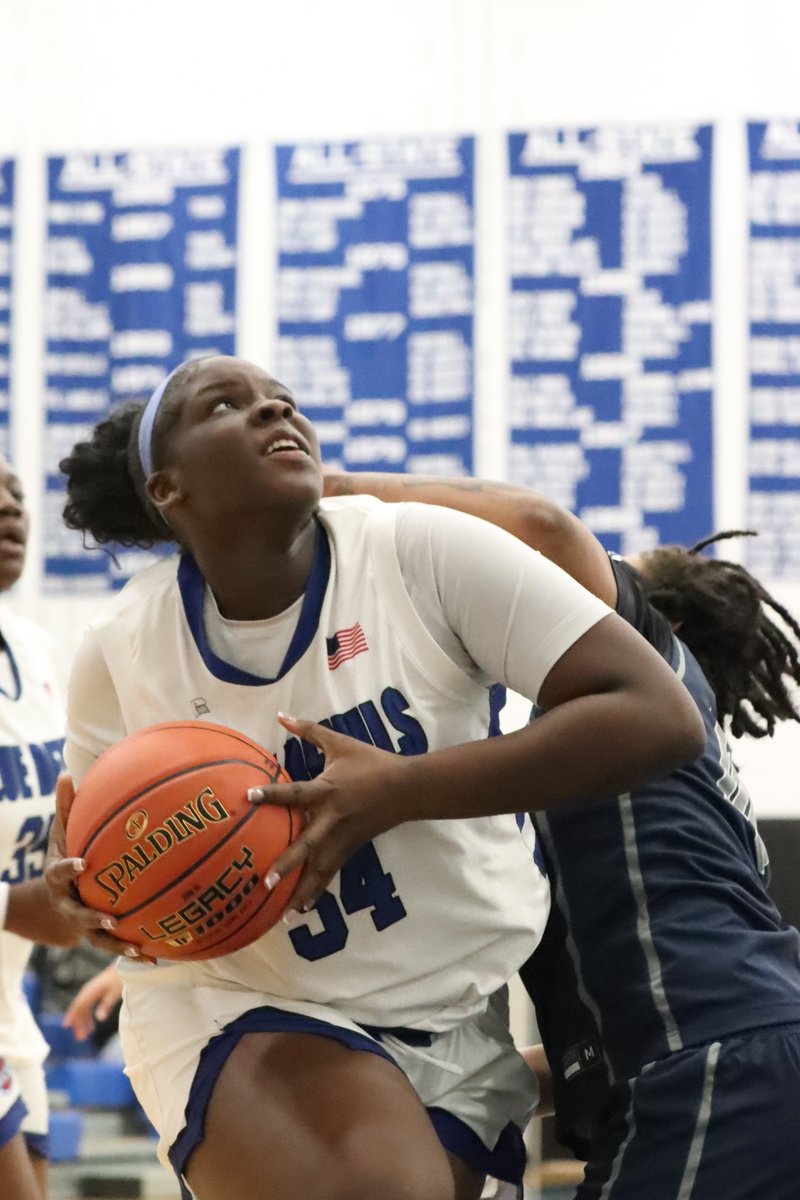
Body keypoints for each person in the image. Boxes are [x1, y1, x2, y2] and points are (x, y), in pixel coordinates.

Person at [42, 354, 703, 1200]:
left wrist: (398, 789)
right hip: (241, 1000)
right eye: (226, 406)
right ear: (167, 489)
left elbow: (657, 714)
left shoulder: (419, 549)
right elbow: (92, 846)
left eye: (282, 399)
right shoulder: (124, 645)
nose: (274, 411)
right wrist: (88, 892)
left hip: (457, 1014)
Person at [309, 468, 800, 1200]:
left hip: (707, 1073)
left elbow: (543, 529)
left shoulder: (645, 674)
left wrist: (320, 490)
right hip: (729, 1063)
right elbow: (600, 1045)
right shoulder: (636, 769)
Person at [0, 455, 80, 1200]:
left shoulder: (34, 646)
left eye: (16, 493)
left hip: (9, 1000)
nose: (10, 509)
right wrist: (13, 904)